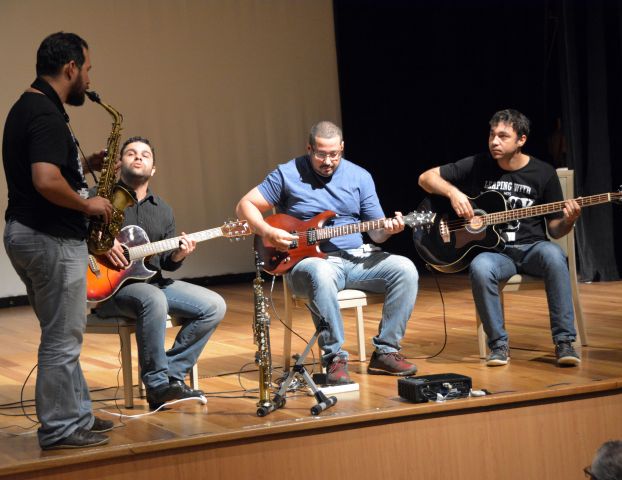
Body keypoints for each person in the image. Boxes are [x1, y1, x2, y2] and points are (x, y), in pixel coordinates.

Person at [236, 121, 419, 384]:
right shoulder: (287, 174)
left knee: (405, 269)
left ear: (342, 148)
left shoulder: (360, 177)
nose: (327, 161)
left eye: (334, 154)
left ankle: (386, 351)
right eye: (321, 154)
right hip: (307, 263)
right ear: (309, 148)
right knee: (321, 272)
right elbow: (245, 205)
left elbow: (377, 233)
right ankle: (334, 358)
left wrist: (391, 229)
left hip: (356, 257)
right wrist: (267, 231)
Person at [2, 32, 114, 449]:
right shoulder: (46, 115)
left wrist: (83, 165)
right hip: (48, 238)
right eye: (86, 68)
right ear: (70, 68)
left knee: (62, 333)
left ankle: (77, 414)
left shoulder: (27, 106)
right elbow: (45, 181)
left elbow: (47, 174)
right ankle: (61, 429)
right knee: (62, 339)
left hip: (26, 234)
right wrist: (89, 206)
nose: (88, 77)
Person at [418, 109, 582, 367]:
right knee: (480, 267)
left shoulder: (544, 173)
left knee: (554, 255)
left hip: (532, 248)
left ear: (521, 140)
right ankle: (498, 345)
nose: (494, 141)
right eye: (492, 135)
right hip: (496, 253)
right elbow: (425, 178)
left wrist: (569, 219)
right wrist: (454, 194)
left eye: (503, 136)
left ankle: (564, 342)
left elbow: (555, 230)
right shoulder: (478, 164)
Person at [94, 136, 226, 409]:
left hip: (151, 281)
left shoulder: (163, 210)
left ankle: (172, 378)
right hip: (110, 288)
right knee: (153, 299)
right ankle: (156, 387)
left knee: (214, 305)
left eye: (145, 154)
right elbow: (76, 234)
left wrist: (179, 254)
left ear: (153, 169)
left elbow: (166, 263)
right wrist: (105, 243)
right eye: (131, 153)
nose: (138, 157)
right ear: (119, 164)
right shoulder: (100, 197)